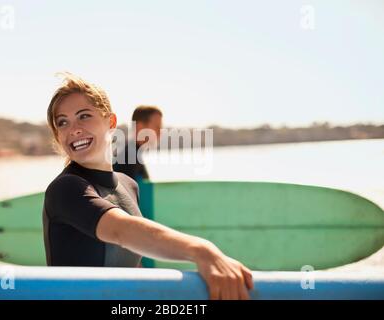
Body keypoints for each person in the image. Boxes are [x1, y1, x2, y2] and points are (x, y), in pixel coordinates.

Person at [42, 72, 253, 300]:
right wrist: (202, 250)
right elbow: (121, 231)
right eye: (62, 122)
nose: (73, 129)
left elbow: (134, 264)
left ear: (110, 122)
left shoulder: (128, 185)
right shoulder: (65, 189)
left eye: (83, 116)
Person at [113, 106, 163, 181]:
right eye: (157, 127)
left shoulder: (131, 152)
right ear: (140, 127)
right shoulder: (128, 157)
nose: (160, 132)